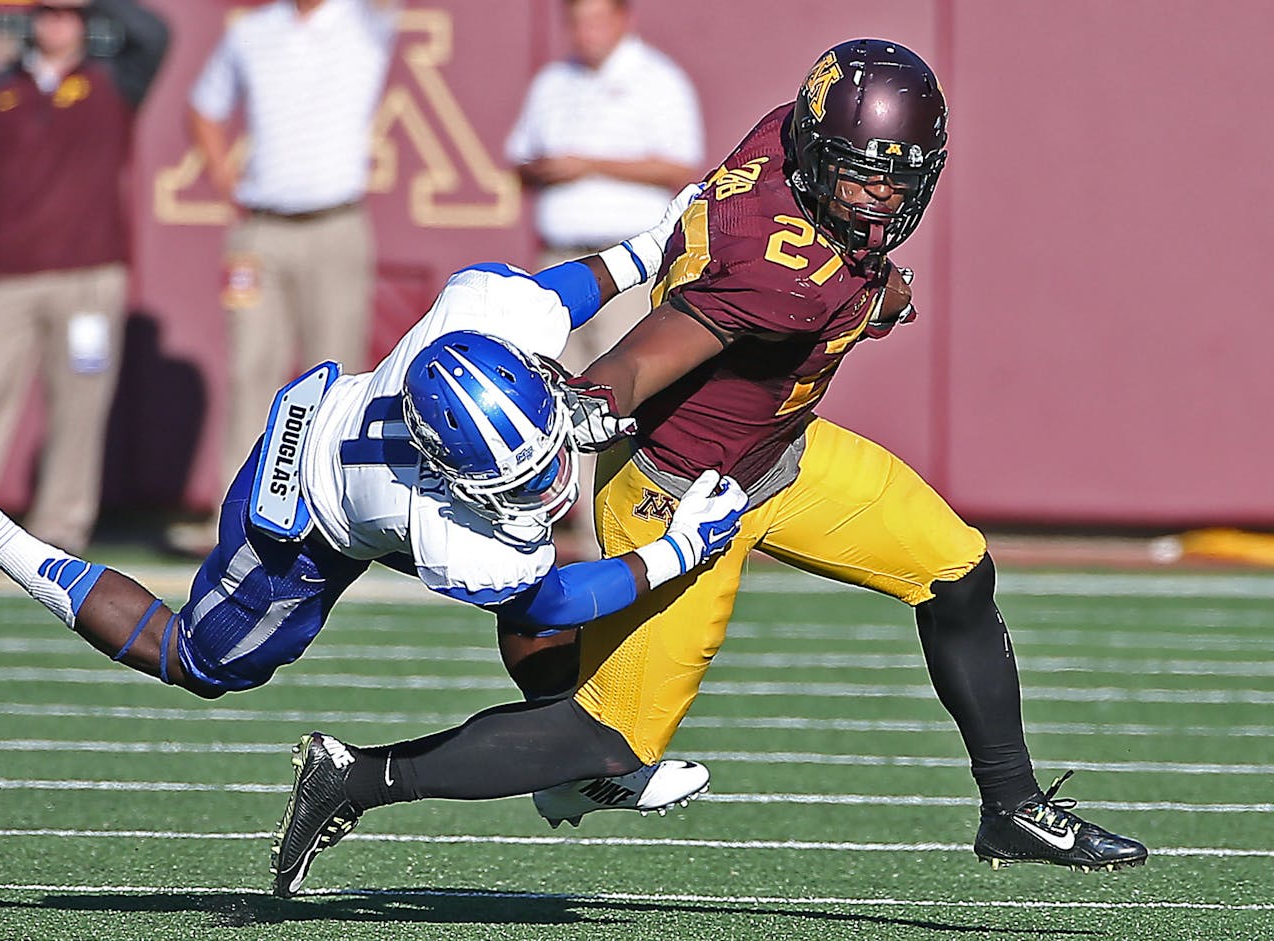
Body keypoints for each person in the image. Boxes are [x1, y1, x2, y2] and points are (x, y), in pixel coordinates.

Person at [264, 39, 1148, 898]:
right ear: (815, 150)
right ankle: (357, 776)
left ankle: (1012, 806)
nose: (883, 197)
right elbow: (652, 353)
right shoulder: (785, 273)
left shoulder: (780, 138)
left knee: (957, 567)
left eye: (901, 176)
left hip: (780, 454)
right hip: (681, 493)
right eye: (866, 173)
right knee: (606, 739)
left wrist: (870, 292)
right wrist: (591, 393)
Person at [0, 190, 746, 896]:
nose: (547, 484)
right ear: (457, 480)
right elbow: (552, 596)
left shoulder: (487, 310)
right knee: (201, 662)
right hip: (306, 502)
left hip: (370, 438)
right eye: (517, 483)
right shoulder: (454, 535)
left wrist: (654, 241)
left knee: (535, 591)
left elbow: (564, 288)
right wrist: (679, 548)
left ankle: (570, 759)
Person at [0, 0, 168, 555]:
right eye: (47, 11)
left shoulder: (111, 80)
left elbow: (155, 35)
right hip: (3, 278)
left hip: (86, 279)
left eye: (69, 12)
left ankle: (59, 533)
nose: (57, 22)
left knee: (79, 406)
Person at [505, 0, 702, 557]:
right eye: (579, 20)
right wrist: (550, 167)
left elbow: (678, 165)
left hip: (629, 260)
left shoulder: (658, 80)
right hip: (562, 258)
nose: (587, 32)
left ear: (623, 20)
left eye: (598, 19)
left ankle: (626, 529)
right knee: (547, 391)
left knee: (624, 395)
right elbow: (521, 157)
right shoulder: (552, 83)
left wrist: (588, 163)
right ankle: (541, 525)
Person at [187, 0, 398, 512]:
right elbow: (204, 106)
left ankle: (335, 511)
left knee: (338, 373)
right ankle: (238, 510)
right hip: (261, 228)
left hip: (335, 221)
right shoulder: (253, 32)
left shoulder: (363, 21)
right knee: (251, 368)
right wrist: (223, 175)